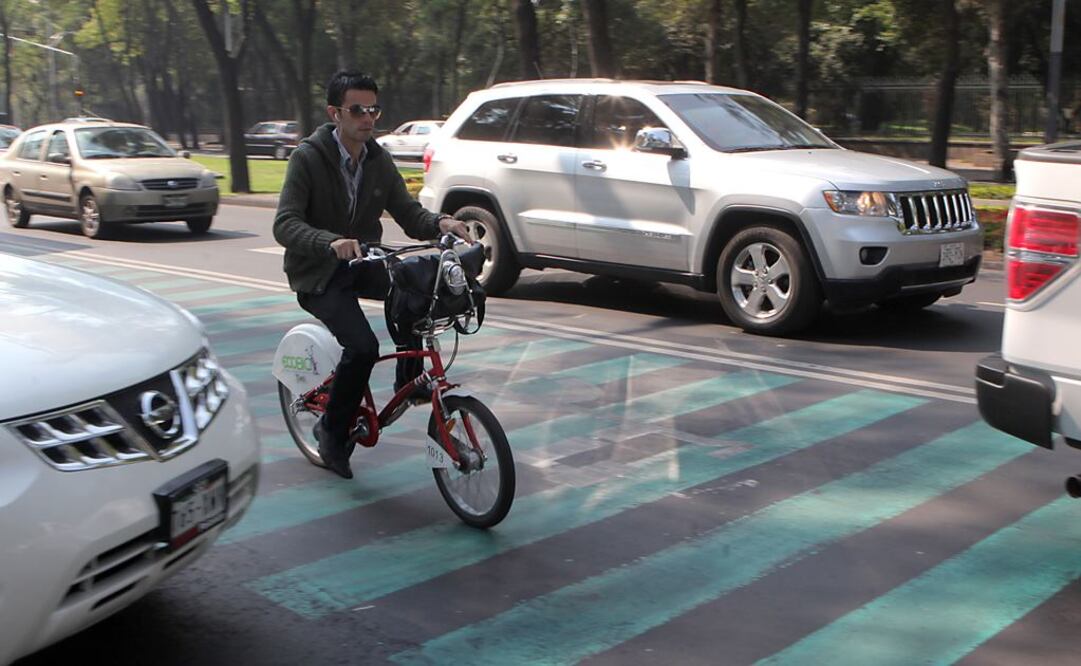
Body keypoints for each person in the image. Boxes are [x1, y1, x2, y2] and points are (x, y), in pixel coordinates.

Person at [273, 70, 469, 479]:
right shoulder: (308, 158)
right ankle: (332, 431)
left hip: (364, 262)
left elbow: (409, 213)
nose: (368, 117)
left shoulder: (377, 159)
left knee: (419, 290)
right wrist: (329, 241)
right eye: (357, 109)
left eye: (373, 109)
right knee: (361, 347)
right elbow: (285, 224)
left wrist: (441, 224)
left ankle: (409, 381)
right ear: (335, 113)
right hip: (319, 273)